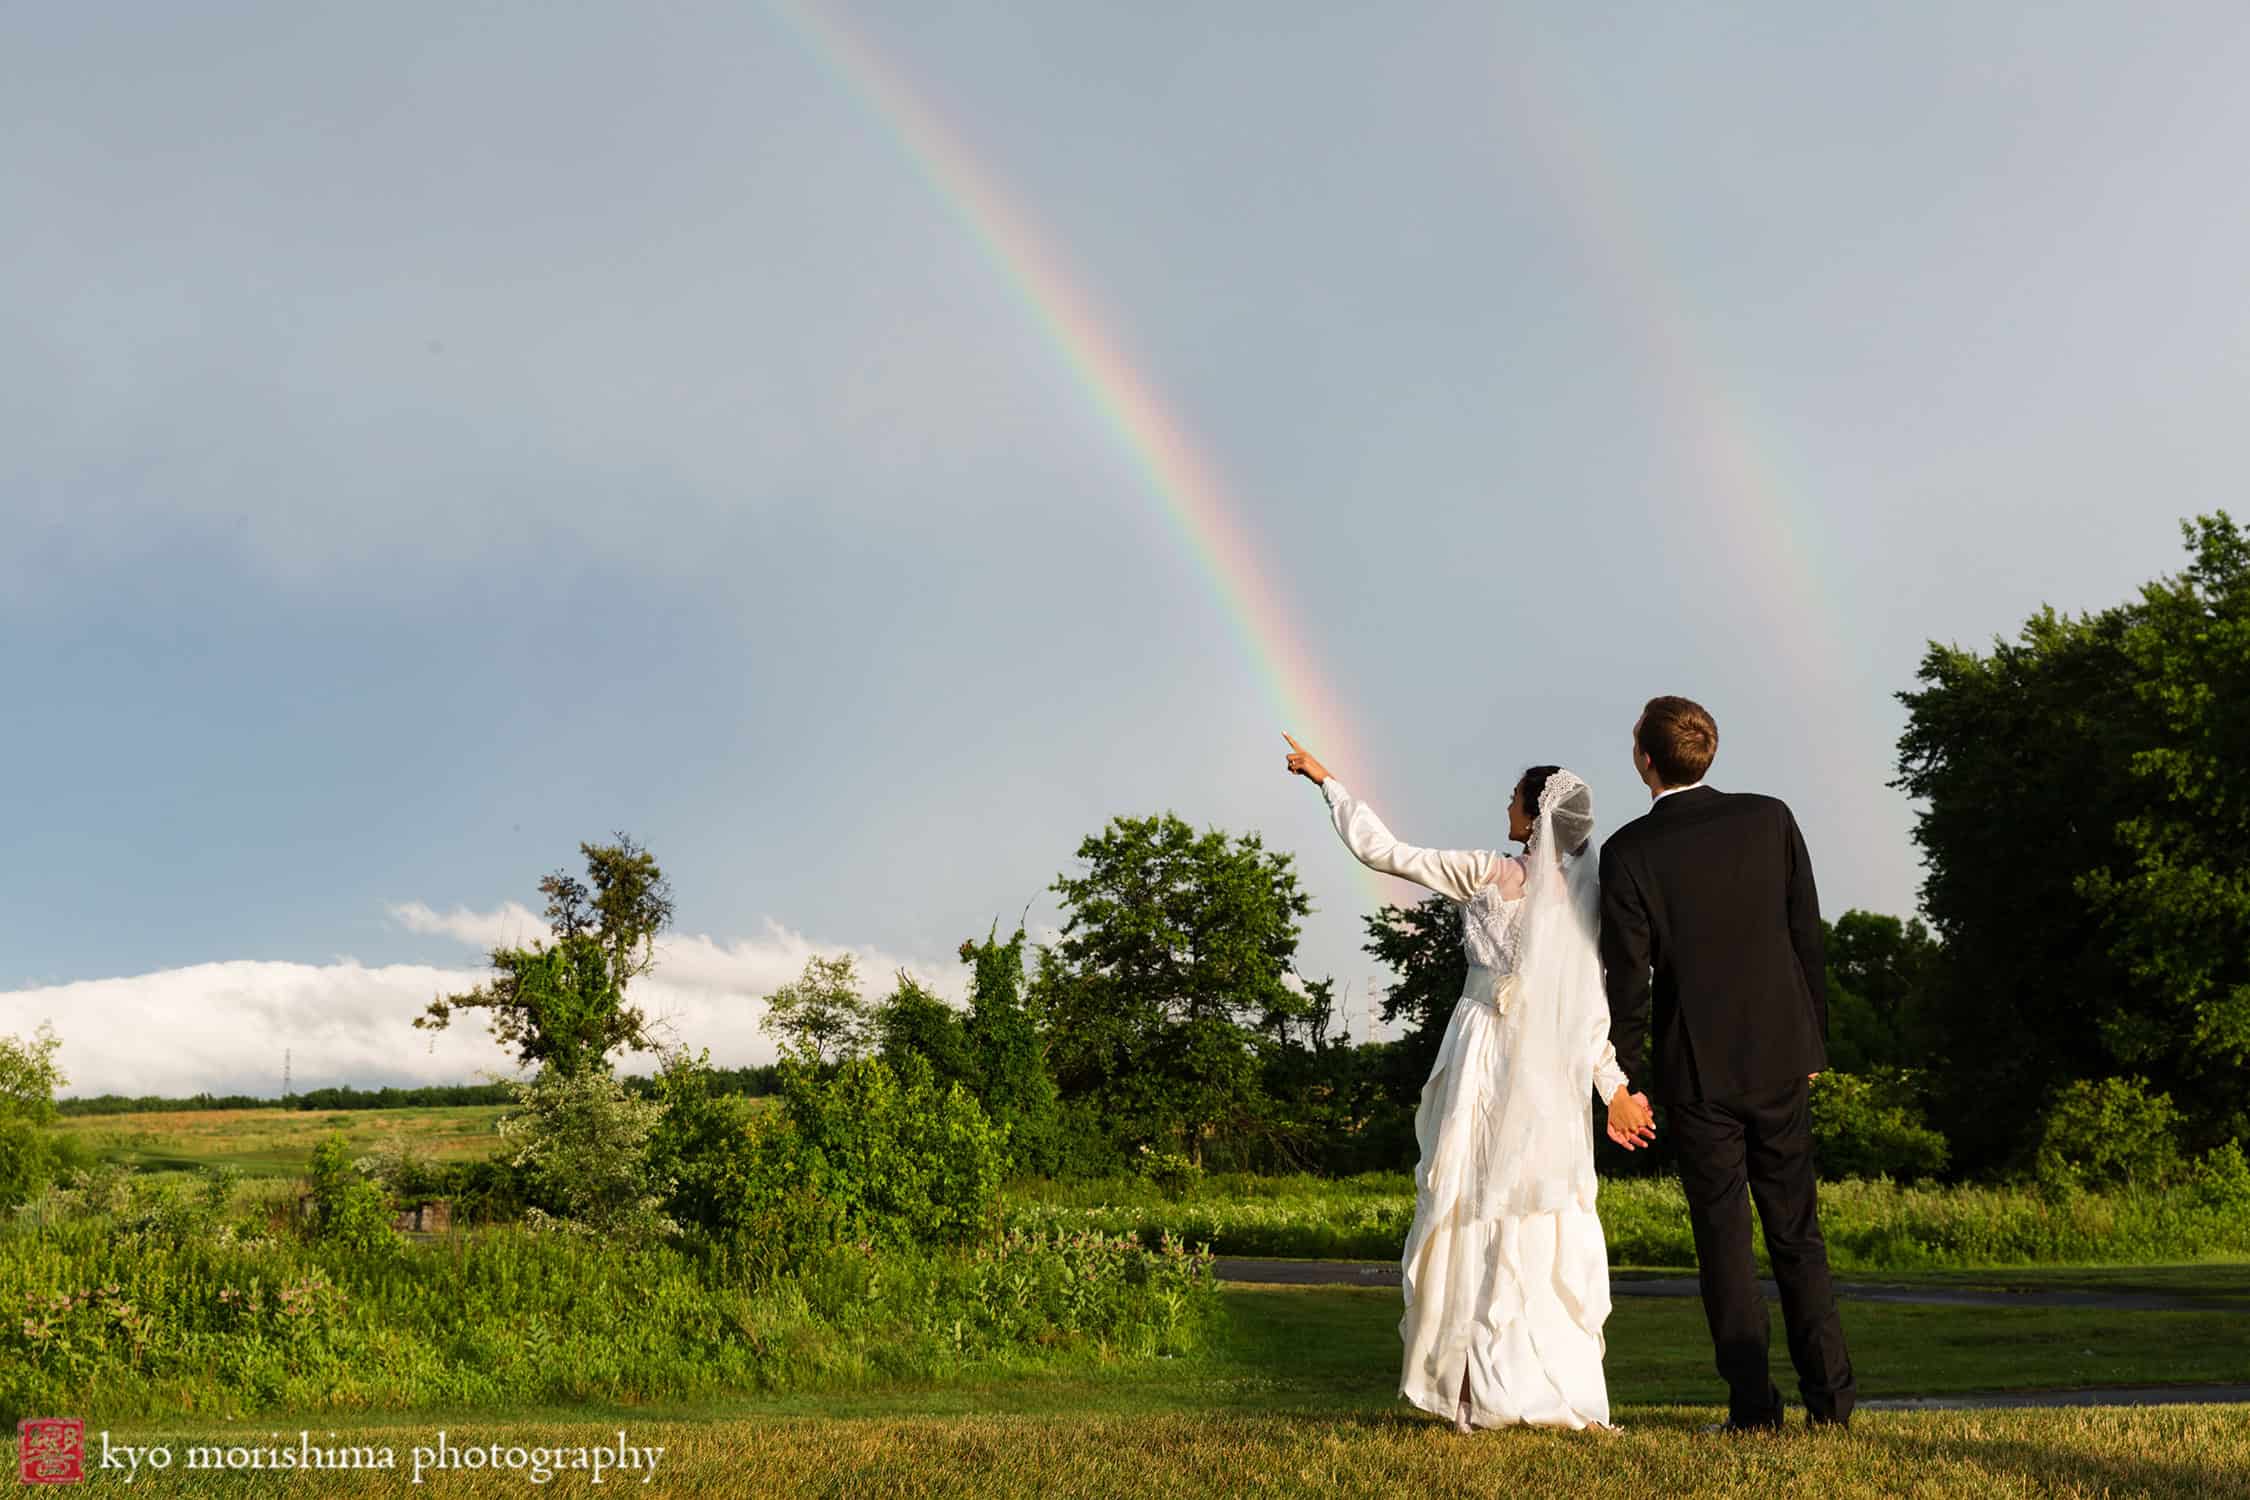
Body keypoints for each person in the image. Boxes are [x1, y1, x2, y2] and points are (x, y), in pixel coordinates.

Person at [1284, 733, 1654, 1434]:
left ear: (1535, 815)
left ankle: (1484, 1385)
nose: (1506, 807)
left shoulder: (1492, 873)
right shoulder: (1589, 901)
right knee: (1510, 1204)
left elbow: (1385, 852)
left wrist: (1327, 781)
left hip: (1490, 1050)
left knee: (1479, 1196)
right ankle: (1491, 1379)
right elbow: (1592, 1017)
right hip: (1538, 1062)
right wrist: (1612, 1089)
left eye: (1515, 798)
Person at [1597, 696, 1857, 1432]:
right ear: (1707, 752)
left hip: (1697, 1074)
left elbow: (1628, 979)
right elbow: (1806, 931)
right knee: (1797, 1234)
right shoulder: (1770, 817)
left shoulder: (1629, 852)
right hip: (1782, 1056)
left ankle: (1753, 1411)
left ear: (1646, 759)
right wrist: (1815, 1042)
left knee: (1724, 1246)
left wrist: (1628, 1080)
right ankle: (1832, 1406)